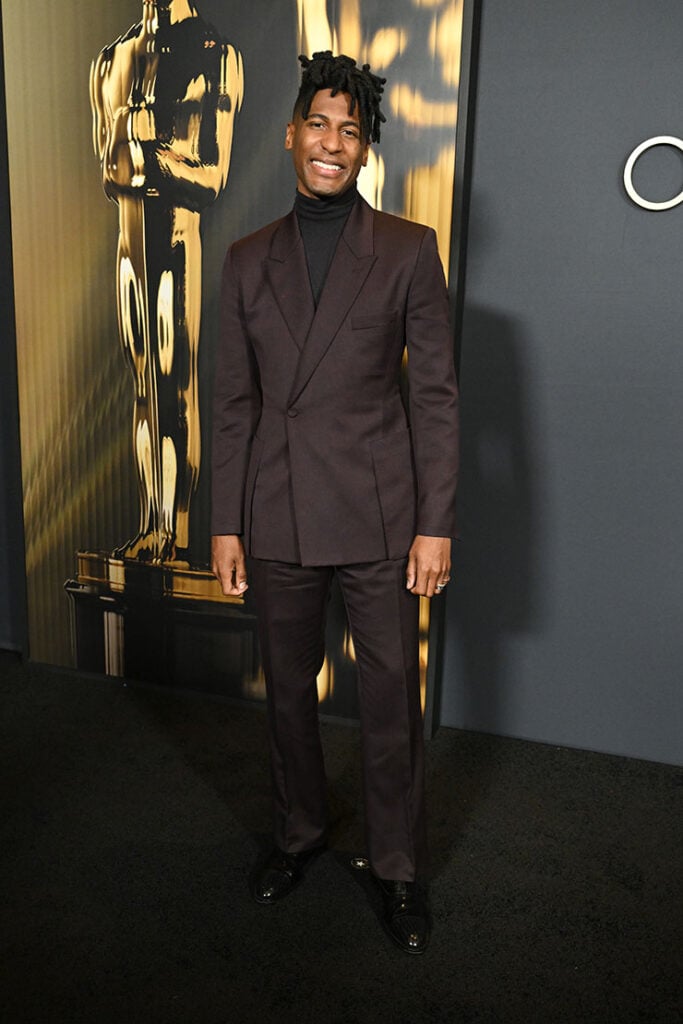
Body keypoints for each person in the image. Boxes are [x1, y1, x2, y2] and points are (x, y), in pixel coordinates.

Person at [211, 51, 459, 955]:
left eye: (349, 131)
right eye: (318, 123)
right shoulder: (243, 261)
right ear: (291, 135)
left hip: (381, 517)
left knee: (389, 699)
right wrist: (226, 524)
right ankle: (299, 833)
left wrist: (434, 523)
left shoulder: (405, 249)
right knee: (286, 694)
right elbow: (231, 401)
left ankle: (396, 869)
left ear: (364, 152)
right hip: (274, 510)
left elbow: (433, 397)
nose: (331, 142)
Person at [91, 0, 243, 563]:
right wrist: (140, 150)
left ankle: (171, 530)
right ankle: (150, 521)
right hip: (129, 241)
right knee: (142, 386)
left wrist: (143, 152)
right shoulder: (112, 58)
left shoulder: (213, 52)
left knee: (173, 382)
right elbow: (108, 169)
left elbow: (210, 175)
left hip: (177, 235)